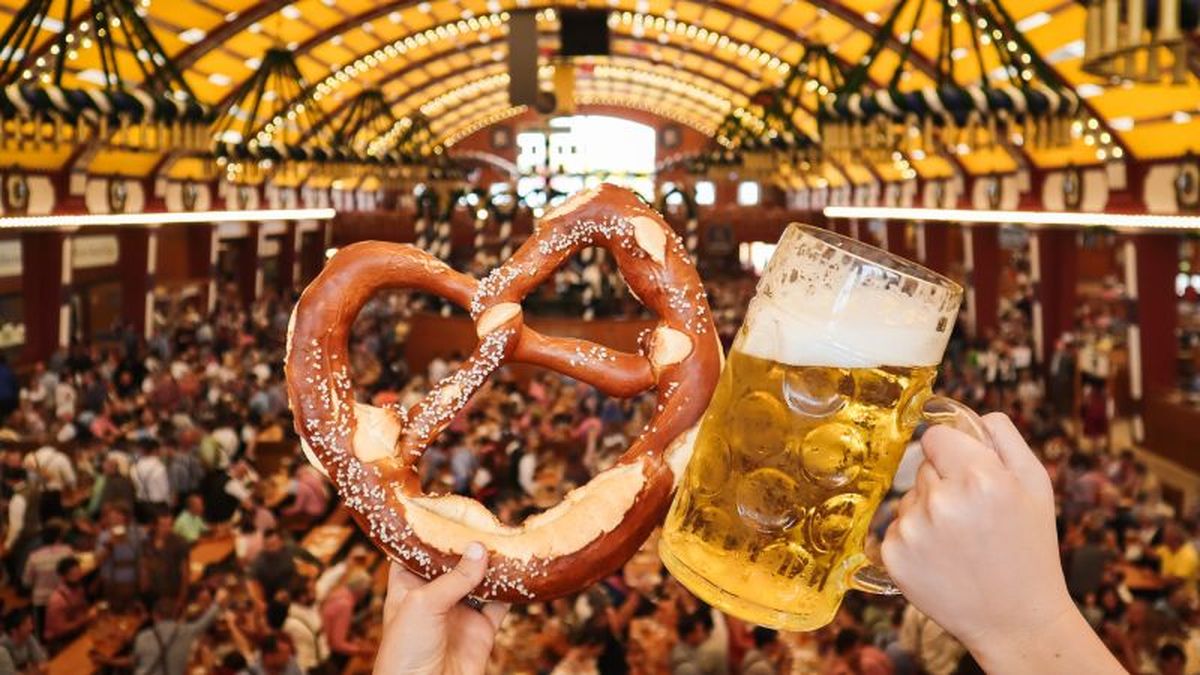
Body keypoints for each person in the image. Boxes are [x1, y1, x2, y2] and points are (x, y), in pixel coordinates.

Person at [127, 592, 226, 675]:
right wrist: (217, 603)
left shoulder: (142, 637)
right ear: (175, 615)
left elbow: (135, 663)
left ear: (155, 615)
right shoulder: (187, 632)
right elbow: (204, 622)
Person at [21, 521, 72, 632]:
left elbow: (26, 582)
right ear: (59, 537)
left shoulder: (34, 557)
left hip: (41, 601)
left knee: (42, 634)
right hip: (63, 597)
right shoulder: (67, 551)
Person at [320, 570, 374, 667]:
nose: (366, 594)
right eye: (366, 590)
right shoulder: (345, 605)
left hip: (322, 641)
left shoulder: (340, 591)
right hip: (324, 653)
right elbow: (336, 644)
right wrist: (360, 651)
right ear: (361, 590)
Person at [43, 557, 91, 649]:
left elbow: (83, 608)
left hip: (77, 632)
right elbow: (60, 630)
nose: (78, 576)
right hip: (60, 642)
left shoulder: (78, 588)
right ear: (63, 577)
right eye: (73, 574)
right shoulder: (57, 600)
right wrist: (83, 620)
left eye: (78, 572)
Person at [0, 608, 48, 674]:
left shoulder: (28, 637)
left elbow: (42, 663)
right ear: (14, 631)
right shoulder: (2, 648)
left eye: (30, 623)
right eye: (26, 625)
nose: (31, 627)